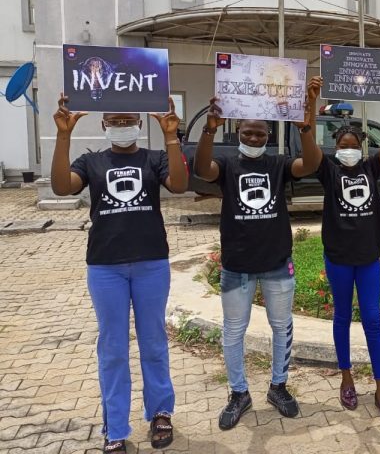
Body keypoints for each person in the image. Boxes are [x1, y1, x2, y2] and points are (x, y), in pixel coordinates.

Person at [51, 94, 188, 454]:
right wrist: (63, 135)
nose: (122, 125)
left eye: (129, 120)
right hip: (105, 266)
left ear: (140, 125)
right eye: (115, 120)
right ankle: (115, 428)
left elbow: (179, 184)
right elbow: (62, 187)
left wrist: (172, 136)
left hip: (151, 263)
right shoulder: (91, 161)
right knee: (112, 348)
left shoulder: (154, 158)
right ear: (104, 124)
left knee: (154, 343)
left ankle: (160, 412)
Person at [194, 77, 323, 430]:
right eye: (248, 133)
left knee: (282, 327)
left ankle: (278, 387)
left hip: (277, 265)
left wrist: (307, 128)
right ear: (238, 134)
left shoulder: (279, 165)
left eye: (261, 134)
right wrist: (208, 130)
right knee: (234, 332)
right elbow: (202, 170)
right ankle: (239, 393)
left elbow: (310, 164)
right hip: (237, 266)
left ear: (268, 137)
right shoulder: (228, 164)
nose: (254, 139)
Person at [310, 79, 380, 424]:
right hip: (338, 258)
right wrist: (310, 105)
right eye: (343, 144)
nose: (348, 149)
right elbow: (308, 144)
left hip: (368, 260)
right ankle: (347, 377)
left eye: (353, 144)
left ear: (361, 147)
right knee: (342, 317)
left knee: (372, 321)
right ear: (336, 147)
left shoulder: (370, 167)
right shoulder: (329, 170)